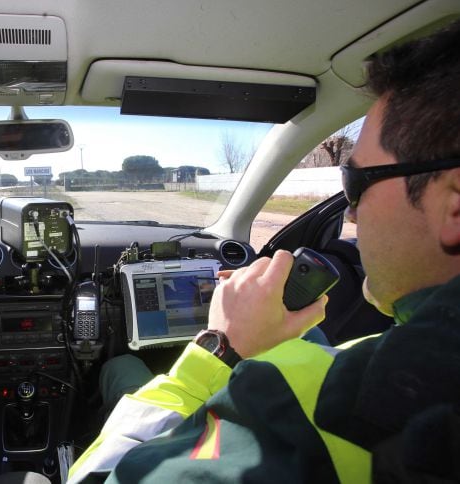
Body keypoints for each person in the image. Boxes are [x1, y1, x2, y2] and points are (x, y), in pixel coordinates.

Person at [68, 20, 460, 484]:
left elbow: (93, 476)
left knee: (120, 368)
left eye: (355, 184)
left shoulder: (316, 405)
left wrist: (221, 350)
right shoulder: (386, 359)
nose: (350, 216)